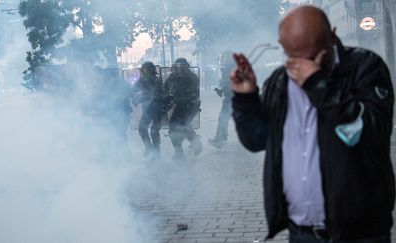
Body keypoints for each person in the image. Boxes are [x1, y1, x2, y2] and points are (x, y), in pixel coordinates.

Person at [231, 5, 395, 243]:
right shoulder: (279, 81)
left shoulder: (365, 66)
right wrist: (246, 98)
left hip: (362, 233)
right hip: (302, 233)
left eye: (310, 56)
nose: (300, 66)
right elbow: (256, 140)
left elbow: (371, 130)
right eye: (292, 56)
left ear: (333, 36)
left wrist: (317, 83)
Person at [165, 58, 202, 160]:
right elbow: (167, 87)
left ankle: (195, 143)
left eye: (182, 67)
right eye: (178, 67)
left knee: (183, 125)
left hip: (191, 105)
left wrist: (177, 99)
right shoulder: (174, 77)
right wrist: (172, 74)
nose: (180, 69)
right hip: (180, 105)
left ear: (186, 67)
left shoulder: (192, 77)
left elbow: (191, 94)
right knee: (172, 126)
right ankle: (179, 151)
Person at [133, 61, 164, 159]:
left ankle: (157, 154)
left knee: (154, 131)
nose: (143, 73)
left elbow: (154, 95)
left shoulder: (157, 80)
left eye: (145, 70)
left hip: (158, 109)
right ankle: (149, 147)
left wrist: (140, 98)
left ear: (150, 71)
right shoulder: (142, 81)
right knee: (142, 129)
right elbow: (133, 90)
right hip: (148, 110)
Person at [208, 51, 236, 148]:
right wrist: (221, 90)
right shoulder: (229, 68)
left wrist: (224, 90)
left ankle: (219, 140)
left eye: (224, 58)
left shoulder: (231, 68)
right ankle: (221, 138)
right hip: (232, 97)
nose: (222, 60)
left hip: (232, 98)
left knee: (223, 118)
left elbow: (232, 84)